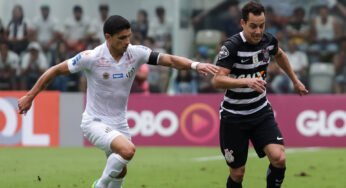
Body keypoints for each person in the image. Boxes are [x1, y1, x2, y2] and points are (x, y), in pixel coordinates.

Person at [17, 15, 219, 188]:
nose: (127, 42)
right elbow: (55, 70)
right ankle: (100, 185)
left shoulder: (135, 53)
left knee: (120, 172)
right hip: (94, 122)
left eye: (129, 36)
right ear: (108, 37)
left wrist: (195, 65)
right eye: (122, 38)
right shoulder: (92, 57)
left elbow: (170, 60)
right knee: (128, 150)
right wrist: (30, 96)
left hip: (119, 122)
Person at [211, 2, 308, 188]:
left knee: (279, 158)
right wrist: (245, 81)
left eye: (262, 25)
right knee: (237, 174)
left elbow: (280, 55)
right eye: (253, 26)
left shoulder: (268, 41)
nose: (258, 31)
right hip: (234, 117)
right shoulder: (231, 47)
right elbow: (217, 80)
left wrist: (295, 80)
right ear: (243, 23)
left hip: (260, 112)